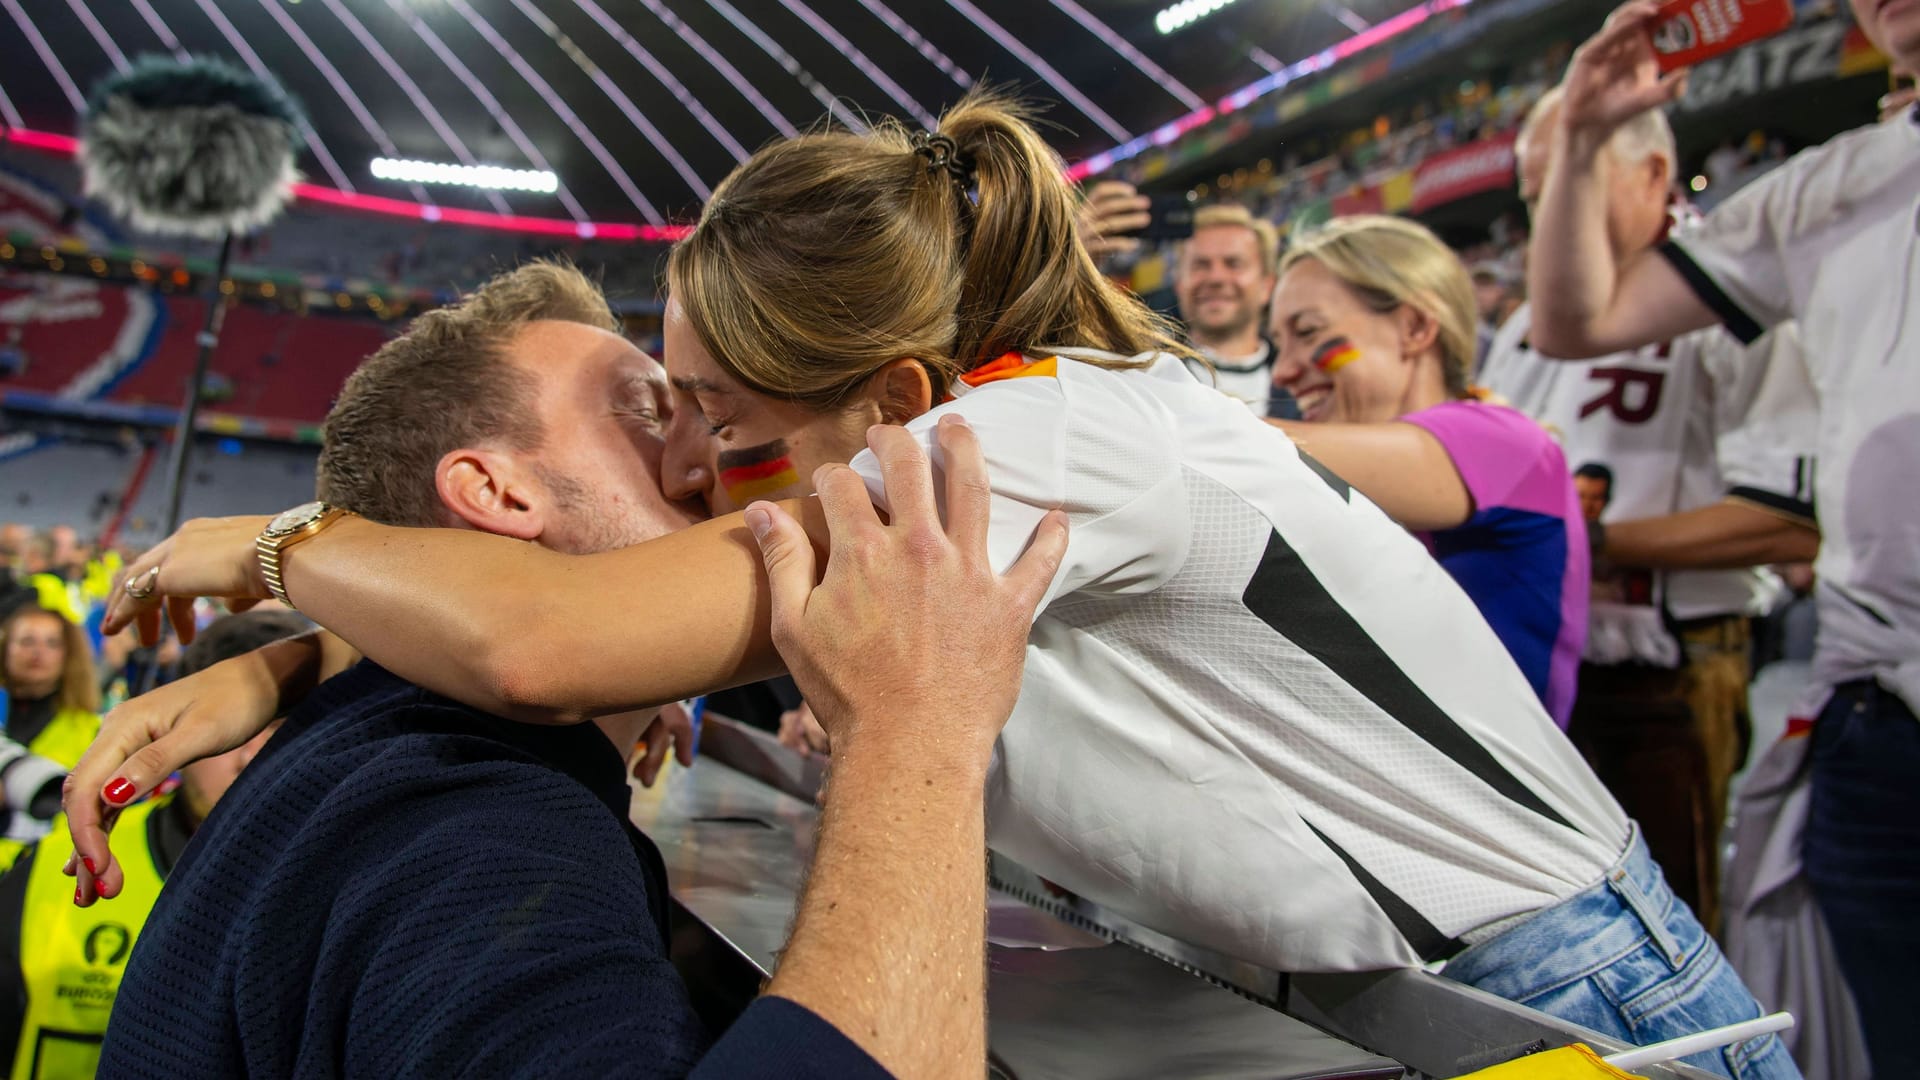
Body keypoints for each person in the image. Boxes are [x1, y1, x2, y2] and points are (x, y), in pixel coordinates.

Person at [78, 95, 1789, 1077]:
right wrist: (291, 670)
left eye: (732, 425)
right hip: (1399, 985)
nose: (708, 470)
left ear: (894, 402)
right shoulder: (950, 450)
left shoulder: (1028, 441)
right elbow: (561, 639)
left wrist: (284, 558)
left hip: (1551, 991)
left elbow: (537, 636)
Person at [83, 261, 1068, 1077]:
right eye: (655, 414)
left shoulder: (382, 751)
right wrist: (915, 738)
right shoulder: (475, 830)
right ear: (496, 493)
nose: (714, 454)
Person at [1527, 0, 1916, 1070]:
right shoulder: (1833, 183)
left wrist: (1601, 546)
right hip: (1879, 706)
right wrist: (1587, 133)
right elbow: (1575, 323)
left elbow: (1784, 513)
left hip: (1701, 655)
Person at [1486, 86, 1821, 933]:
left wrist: (1582, 543)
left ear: (1655, 175)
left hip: (1669, 670)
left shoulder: (1735, 304)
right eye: (1533, 194)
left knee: (1675, 924)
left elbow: (1790, 518)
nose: (1546, 213)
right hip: (1537, 671)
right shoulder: (1528, 320)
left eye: (1572, 179)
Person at [1266, 215, 1588, 728]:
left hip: (1488, 802)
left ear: (1414, 328)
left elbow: (1245, 450)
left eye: (1309, 332)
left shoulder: (1506, 442)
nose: (1282, 369)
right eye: (1279, 343)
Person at [0, 609, 307, 1078]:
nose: (252, 754)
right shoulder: (58, 865)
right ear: (171, 725)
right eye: (227, 722)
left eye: (284, 728)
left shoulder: (358, 900)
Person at [0, 606, 100, 870]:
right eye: (26, 641)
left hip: (40, 872)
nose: (37, 652)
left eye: (52, 643)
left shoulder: (92, 730)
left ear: (68, 655)